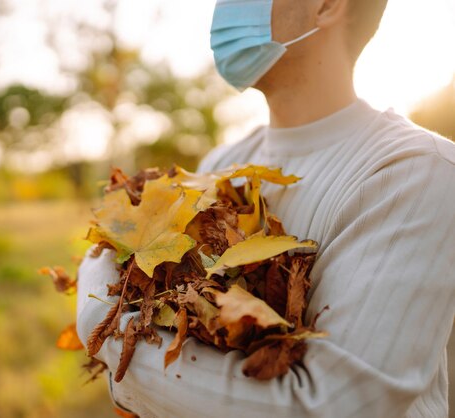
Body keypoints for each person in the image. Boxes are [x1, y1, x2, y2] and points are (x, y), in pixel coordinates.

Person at [76, 0, 455, 416]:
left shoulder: (416, 172)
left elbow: (326, 405)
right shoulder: (221, 164)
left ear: (327, 6)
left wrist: (105, 328)